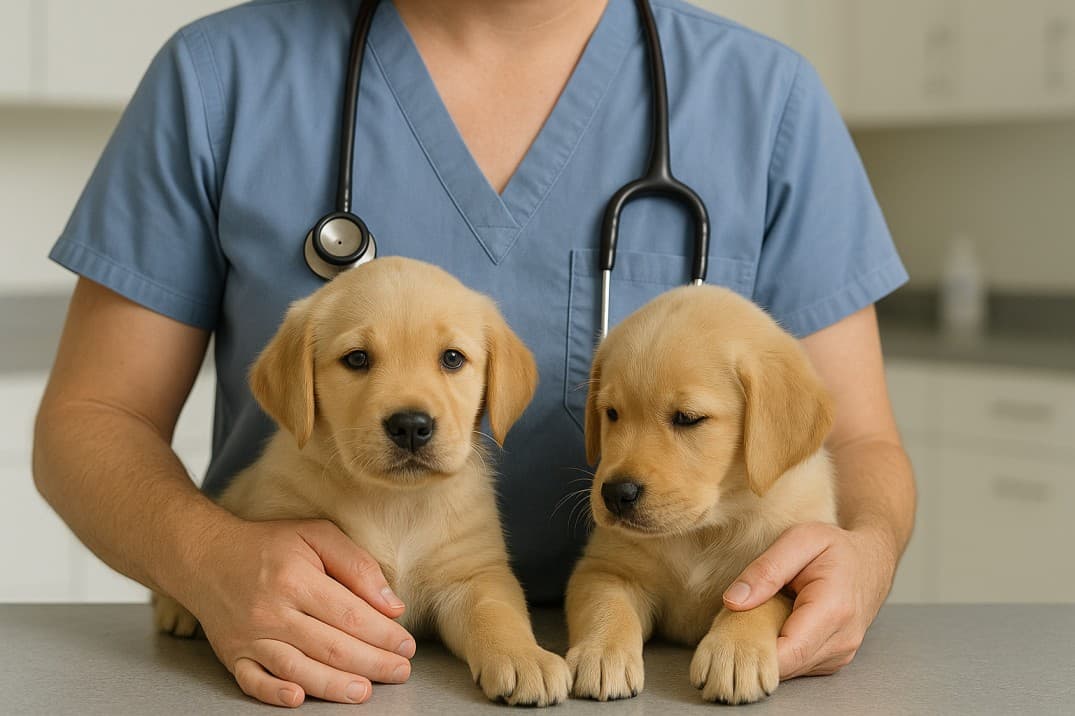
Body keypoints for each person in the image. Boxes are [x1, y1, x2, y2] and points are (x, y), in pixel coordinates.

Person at [33, 0, 915, 708]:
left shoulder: (766, 101)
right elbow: (89, 420)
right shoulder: (218, 78)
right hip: (291, 670)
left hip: (658, 675)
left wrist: (865, 554)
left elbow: (860, 442)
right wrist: (202, 557)